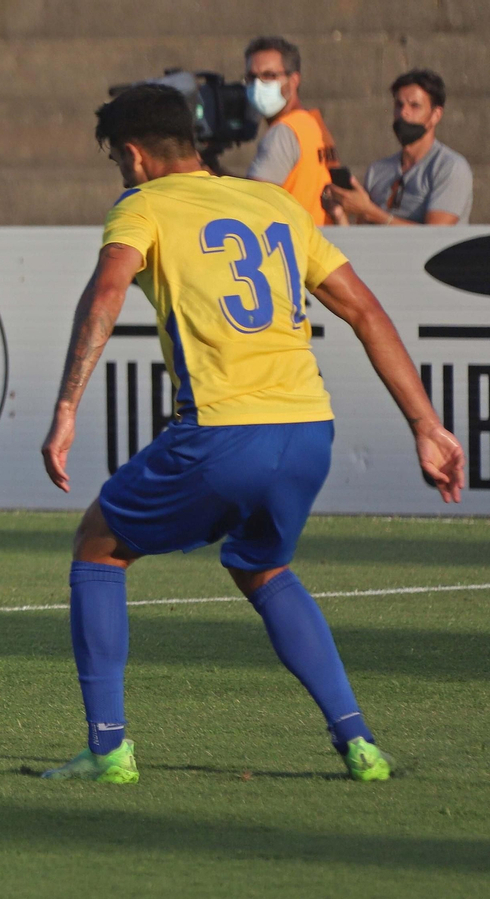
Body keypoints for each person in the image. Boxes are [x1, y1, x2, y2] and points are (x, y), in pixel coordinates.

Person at [38, 85, 464, 784]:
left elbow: (107, 292)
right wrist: (426, 425)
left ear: (135, 155)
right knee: (260, 565)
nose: (121, 173)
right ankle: (359, 743)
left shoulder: (142, 205)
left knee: (99, 545)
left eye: (118, 160)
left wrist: (65, 406)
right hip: (308, 432)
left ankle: (108, 749)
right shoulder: (274, 204)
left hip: (224, 432)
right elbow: (365, 310)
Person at [329, 69, 473, 226]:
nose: (403, 113)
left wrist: (370, 211)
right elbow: (363, 234)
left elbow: (436, 235)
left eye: (415, 106)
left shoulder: (450, 167)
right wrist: (339, 214)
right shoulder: (377, 171)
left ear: (436, 115)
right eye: (399, 105)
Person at [243, 36, 341, 225]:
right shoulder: (314, 123)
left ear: (294, 80)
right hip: (319, 236)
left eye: (269, 75)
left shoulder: (283, 132)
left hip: (293, 239)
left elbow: (253, 204)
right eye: (251, 77)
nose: (258, 85)